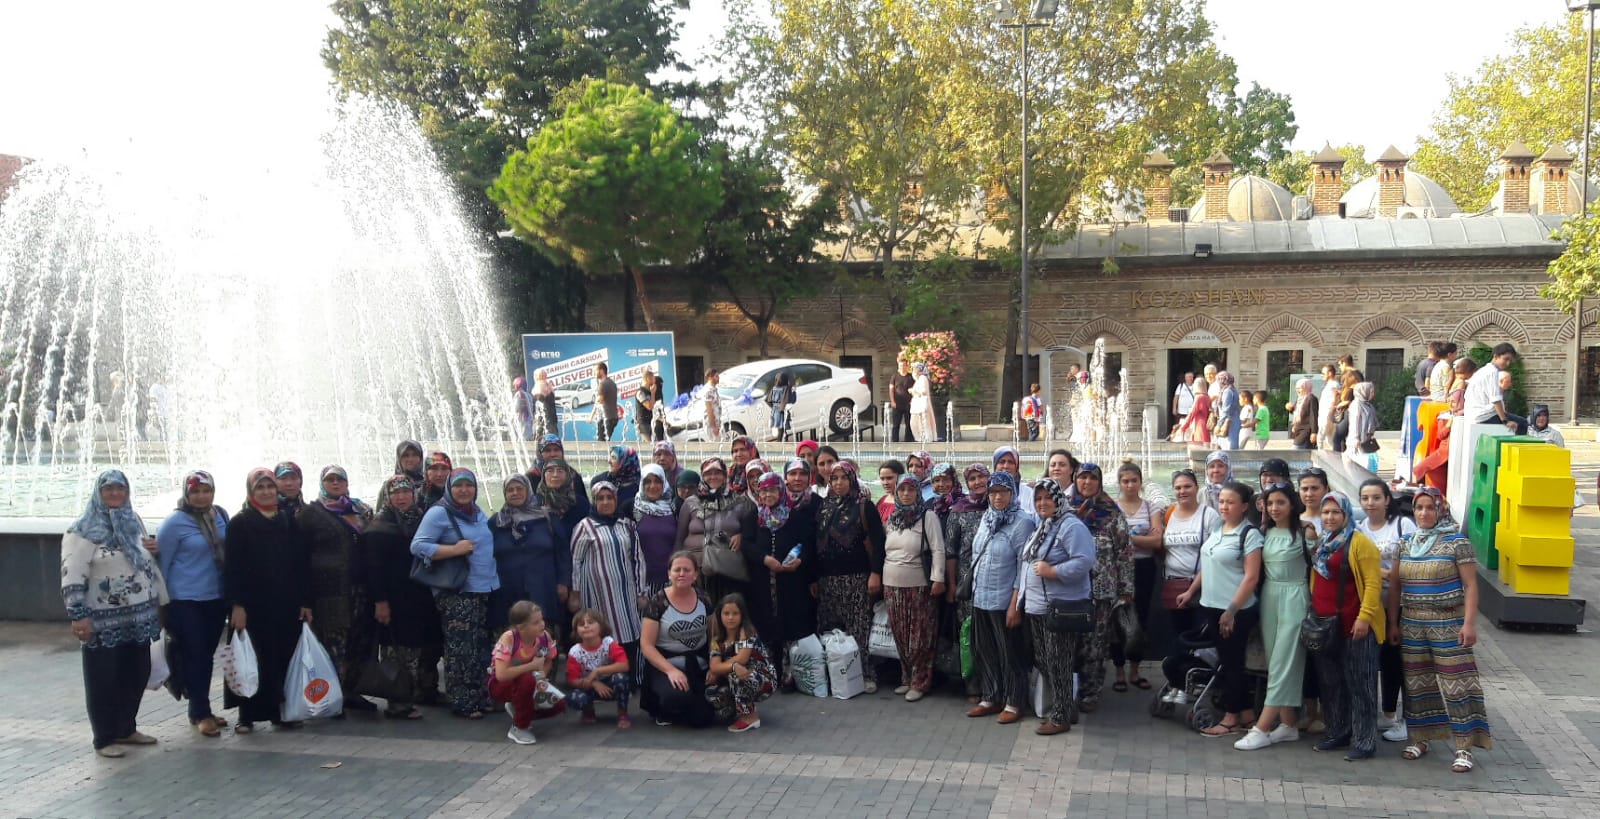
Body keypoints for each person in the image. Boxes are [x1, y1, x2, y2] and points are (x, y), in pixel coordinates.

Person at [63, 470, 166, 756]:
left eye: (120, 489)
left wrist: (153, 551)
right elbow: (72, 574)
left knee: (136, 672)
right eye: (109, 489)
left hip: (138, 618)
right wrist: (78, 614)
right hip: (102, 620)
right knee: (103, 678)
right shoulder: (82, 531)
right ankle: (104, 737)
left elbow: (144, 562)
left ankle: (126, 728)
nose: (115, 494)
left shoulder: (133, 522)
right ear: (98, 493)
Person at [1390, 488, 1492, 772]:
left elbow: (1471, 585)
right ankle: (1421, 738)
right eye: (1419, 507)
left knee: (1458, 686)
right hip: (1412, 624)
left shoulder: (1457, 542)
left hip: (1448, 624)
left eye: (1430, 507)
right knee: (1417, 684)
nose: (1424, 513)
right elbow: (1396, 585)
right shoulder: (1405, 542)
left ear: (1441, 509)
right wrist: (1392, 622)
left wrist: (1469, 623)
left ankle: (1464, 747)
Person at [224, 469, 313, 735]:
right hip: (252, 605)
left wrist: (305, 601)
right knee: (251, 658)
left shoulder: (287, 520)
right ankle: (246, 716)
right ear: (251, 492)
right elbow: (232, 568)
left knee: (281, 656)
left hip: (284, 602)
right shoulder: (240, 522)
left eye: (270, 487)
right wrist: (236, 605)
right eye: (260, 487)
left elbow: (301, 564)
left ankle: (278, 712)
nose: (266, 492)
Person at [411, 468, 499, 719]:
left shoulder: (477, 511)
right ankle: (463, 702)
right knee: (461, 649)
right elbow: (417, 546)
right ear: (450, 488)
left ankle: (480, 696)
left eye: (468, 486)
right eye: (458, 485)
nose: (464, 490)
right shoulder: (439, 512)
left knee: (479, 646)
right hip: (458, 591)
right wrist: (453, 550)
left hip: (483, 588)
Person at [1175, 482, 1261, 737]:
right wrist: (1191, 591)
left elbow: (1251, 577)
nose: (1224, 506)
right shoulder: (1218, 527)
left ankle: (1231, 718)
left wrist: (1232, 611)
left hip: (1235, 609)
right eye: (1222, 501)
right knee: (1228, 661)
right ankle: (1246, 714)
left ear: (1244, 506)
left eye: (1230, 502)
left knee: (1232, 664)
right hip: (1210, 605)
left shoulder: (1250, 534)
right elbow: (1208, 562)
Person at [1233, 483, 1314, 750]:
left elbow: (1321, 568)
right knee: (1274, 661)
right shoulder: (1263, 532)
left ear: (1292, 504)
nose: (1274, 508)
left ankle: (1262, 727)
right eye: (1269, 503)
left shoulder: (1305, 532)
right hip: (1270, 597)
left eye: (1280, 502)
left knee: (1284, 662)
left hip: (1296, 597)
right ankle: (1288, 724)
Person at [1308, 492, 1386, 761]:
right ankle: (1338, 731)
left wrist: (1364, 617)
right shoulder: (1324, 542)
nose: (1329, 518)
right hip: (1326, 625)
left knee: (1361, 685)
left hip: (1356, 625)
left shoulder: (1359, 543)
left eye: (1335, 513)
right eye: (1326, 513)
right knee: (1331, 683)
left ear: (1346, 515)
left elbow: (1373, 584)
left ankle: (1365, 740)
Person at [1015, 478, 1095, 734]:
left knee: (1059, 661)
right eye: (1037, 499)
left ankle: (1060, 717)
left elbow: (1084, 561)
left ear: (1058, 498)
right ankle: (1064, 705)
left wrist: (1053, 571)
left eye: (1047, 497)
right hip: (1038, 607)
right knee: (1046, 660)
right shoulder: (1045, 526)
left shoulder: (1071, 526)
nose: (1042, 503)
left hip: (1060, 607)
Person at [156, 470, 231, 736]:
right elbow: (161, 564)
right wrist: (161, 604)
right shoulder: (175, 523)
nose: (201, 497)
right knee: (195, 653)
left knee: (205, 655)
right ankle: (200, 712)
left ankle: (200, 708)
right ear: (186, 494)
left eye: (206, 491)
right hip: (185, 599)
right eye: (195, 491)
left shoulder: (220, 515)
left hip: (216, 597)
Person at [298, 465, 377, 712]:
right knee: (333, 645)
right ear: (322, 483)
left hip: (360, 591)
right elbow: (300, 558)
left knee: (358, 642)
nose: (335, 484)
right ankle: (330, 697)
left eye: (339, 479)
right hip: (328, 593)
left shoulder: (358, 510)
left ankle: (352, 692)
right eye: (330, 480)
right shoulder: (310, 514)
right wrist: (305, 599)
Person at [365, 475, 442, 719]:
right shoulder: (379, 526)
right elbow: (373, 570)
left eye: (406, 492)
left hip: (420, 595)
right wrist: (381, 602)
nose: (401, 497)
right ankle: (398, 702)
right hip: (394, 598)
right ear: (387, 496)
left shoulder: (421, 519)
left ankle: (422, 692)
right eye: (396, 493)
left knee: (422, 646)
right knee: (397, 650)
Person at [966, 471, 1038, 724]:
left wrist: (1015, 604)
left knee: (1010, 653)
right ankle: (990, 696)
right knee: (985, 649)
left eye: (1003, 492)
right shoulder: (987, 517)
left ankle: (1013, 702)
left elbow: (1024, 566)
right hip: (981, 597)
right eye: (993, 492)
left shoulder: (1023, 522)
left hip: (1004, 598)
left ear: (1012, 493)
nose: (997, 497)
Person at [812, 460, 887, 693]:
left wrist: (875, 574)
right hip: (828, 580)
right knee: (829, 629)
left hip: (856, 578)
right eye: (834, 479)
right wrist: (814, 578)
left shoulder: (864, 506)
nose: (838, 483)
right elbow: (815, 544)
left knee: (859, 629)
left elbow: (879, 544)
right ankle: (837, 675)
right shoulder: (824, 506)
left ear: (852, 479)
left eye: (844, 478)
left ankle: (866, 674)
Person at [1066, 463, 1134, 711]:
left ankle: (1090, 692)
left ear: (1099, 482)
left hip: (1102, 590)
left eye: (1091, 479)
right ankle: (1067, 690)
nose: (1086, 483)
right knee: (1070, 642)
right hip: (1070, 589)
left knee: (1095, 645)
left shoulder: (1112, 513)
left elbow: (1125, 552)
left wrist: (1126, 589)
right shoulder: (1065, 510)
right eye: (1082, 478)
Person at [1357, 479, 1416, 742]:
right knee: (1385, 661)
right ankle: (1389, 713)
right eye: (1366, 498)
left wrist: (1379, 571)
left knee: (1403, 661)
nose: (1371, 503)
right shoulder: (1360, 529)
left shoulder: (1402, 526)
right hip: (1373, 604)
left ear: (1387, 500)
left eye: (1376, 497)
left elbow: (1415, 564)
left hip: (1403, 604)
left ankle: (1409, 719)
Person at [568, 481, 646, 675]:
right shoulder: (584, 527)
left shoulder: (627, 525)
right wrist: (575, 594)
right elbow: (575, 562)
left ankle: (629, 678)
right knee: (601, 634)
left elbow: (638, 558)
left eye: (609, 498)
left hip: (625, 590)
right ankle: (605, 679)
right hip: (597, 593)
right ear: (594, 501)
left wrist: (641, 591)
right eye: (600, 498)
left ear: (615, 500)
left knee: (629, 632)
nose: (605, 502)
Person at [882, 475, 947, 701]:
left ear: (918, 492)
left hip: (919, 584)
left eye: (911, 489)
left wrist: (938, 578)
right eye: (902, 490)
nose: (906, 494)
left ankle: (920, 681)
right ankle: (906, 677)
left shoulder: (927, 516)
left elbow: (938, 549)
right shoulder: (893, 518)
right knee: (899, 634)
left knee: (919, 637)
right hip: (891, 583)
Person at [1158, 469, 1218, 693]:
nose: (1182, 491)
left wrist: (1193, 589)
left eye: (1187, 486)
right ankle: (1178, 683)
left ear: (1196, 487)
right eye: (1178, 487)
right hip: (1174, 585)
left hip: (1200, 588)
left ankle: (1195, 684)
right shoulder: (1170, 513)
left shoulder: (1209, 515)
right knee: (1178, 637)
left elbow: (1213, 557)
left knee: (1197, 640)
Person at [640, 552, 715, 727]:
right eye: (677, 569)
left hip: (699, 663)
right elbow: (647, 645)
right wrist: (671, 671)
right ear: (669, 574)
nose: (681, 574)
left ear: (695, 574)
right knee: (677, 698)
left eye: (687, 570)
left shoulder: (704, 598)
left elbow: (714, 636)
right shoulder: (658, 602)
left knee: (706, 715)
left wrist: (715, 665)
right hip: (667, 664)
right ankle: (662, 708)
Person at [491, 475, 570, 636]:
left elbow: (562, 551)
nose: (515, 493)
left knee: (545, 638)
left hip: (543, 587)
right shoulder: (497, 522)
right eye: (510, 490)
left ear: (528, 491)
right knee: (513, 641)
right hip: (508, 590)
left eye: (519, 489)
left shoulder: (546, 517)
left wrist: (563, 582)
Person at [764, 463, 818, 684]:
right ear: (784, 479)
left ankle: (794, 673)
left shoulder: (815, 503)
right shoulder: (765, 511)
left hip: (799, 574)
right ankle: (774, 671)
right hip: (770, 576)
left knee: (797, 621)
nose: (797, 478)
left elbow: (811, 540)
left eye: (802, 473)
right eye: (792, 473)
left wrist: (802, 560)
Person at [1111, 463, 1163, 692]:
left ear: (1140, 482)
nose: (1130, 485)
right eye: (1125, 481)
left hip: (1144, 567)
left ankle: (1135, 669)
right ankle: (1119, 670)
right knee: (1117, 619)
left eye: (1134, 480)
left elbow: (1157, 542)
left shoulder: (1150, 507)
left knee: (1140, 618)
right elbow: (1111, 541)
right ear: (1119, 483)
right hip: (1118, 569)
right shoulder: (1112, 507)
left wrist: (1127, 539)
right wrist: (1142, 538)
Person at [676, 457, 756, 603]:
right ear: (702, 476)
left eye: (718, 472)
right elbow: (680, 538)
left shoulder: (740, 502)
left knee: (727, 611)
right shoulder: (691, 502)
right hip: (696, 568)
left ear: (725, 475)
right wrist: (677, 566)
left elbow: (751, 531)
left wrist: (741, 536)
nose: (713, 477)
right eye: (708, 473)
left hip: (727, 568)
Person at [945, 464, 991, 699]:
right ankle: (972, 682)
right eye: (972, 478)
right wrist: (952, 585)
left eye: (981, 476)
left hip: (994, 582)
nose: (977, 482)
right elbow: (951, 552)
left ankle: (993, 683)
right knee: (969, 633)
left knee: (992, 634)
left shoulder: (998, 505)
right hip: (966, 584)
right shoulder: (959, 510)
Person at [488, 601, 557, 745]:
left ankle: (519, 707)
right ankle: (519, 727)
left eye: (542, 619)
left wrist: (541, 676)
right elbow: (501, 675)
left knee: (558, 705)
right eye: (536, 622)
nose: (542, 624)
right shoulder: (509, 638)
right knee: (527, 680)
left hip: (531, 681)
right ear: (521, 628)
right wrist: (531, 666)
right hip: (501, 685)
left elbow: (549, 660)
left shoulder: (544, 637)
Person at [706, 593, 777, 732]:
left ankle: (749, 717)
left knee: (737, 676)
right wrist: (721, 669)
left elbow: (742, 659)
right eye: (726, 613)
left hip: (761, 678)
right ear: (720, 615)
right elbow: (714, 666)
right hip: (734, 675)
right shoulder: (717, 640)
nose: (730, 617)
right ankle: (738, 709)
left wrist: (724, 667)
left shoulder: (747, 633)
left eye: (735, 613)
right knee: (712, 692)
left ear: (742, 615)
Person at [565, 608, 632, 728]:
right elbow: (572, 680)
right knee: (574, 697)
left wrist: (597, 671)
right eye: (581, 624)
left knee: (621, 679)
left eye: (590, 622)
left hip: (610, 684)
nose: (586, 626)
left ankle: (622, 713)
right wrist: (594, 683)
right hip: (589, 686)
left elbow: (624, 665)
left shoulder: (609, 643)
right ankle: (588, 710)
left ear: (601, 626)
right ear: (576, 630)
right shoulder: (575, 652)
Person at [634, 465, 679, 596]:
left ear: (664, 483)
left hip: (670, 579)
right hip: (641, 581)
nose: (652, 486)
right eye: (648, 481)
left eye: (657, 481)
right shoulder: (633, 507)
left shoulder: (673, 507)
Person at [591, 445, 642, 517]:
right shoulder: (599, 481)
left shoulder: (641, 487)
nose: (609, 461)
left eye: (613, 458)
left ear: (625, 461)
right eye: (610, 457)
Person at [1343, 382, 1378, 468]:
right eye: (1371, 392)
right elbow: (1355, 422)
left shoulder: (1368, 405)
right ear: (1363, 391)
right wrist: (1356, 438)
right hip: (1357, 440)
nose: (1373, 394)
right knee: (1355, 464)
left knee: (1368, 463)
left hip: (1366, 439)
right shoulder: (1357, 405)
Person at [992, 446, 1035, 512]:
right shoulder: (988, 493)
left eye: (1010, 462)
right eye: (1002, 462)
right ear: (995, 466)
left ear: (1016, 468)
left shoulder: (1028, 493)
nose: (1006, 466)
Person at [1330, 369, 1360, 453]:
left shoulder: (1352, 389)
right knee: (1342, 439)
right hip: (1350, 414)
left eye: (1344, 380)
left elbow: (1348, 401)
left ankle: (1337, 459)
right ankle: (1342, 457)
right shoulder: (1356, 388)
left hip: (1348, 414)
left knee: (1337, 438)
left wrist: (1337, 406)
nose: (1343, 383)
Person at [1212, 371, 1241, 450]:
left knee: (1229, 447)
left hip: (1229, 423)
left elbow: (1226, 410)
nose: (1218, 382)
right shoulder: (1231, 390)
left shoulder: (1227, 391)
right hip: (1231, 421)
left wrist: (1218, 425)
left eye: (1219, 380)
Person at [910, 361, 938, 442]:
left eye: (915, 369)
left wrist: (913, 391)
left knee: (924, 422)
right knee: (916, 422)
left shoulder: (923, 378)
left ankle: (926, 437)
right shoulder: (919, 379)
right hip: (917, 405)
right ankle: (920, 437)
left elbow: (924, 391)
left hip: (922, 405)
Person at [636, 369, 665, 442]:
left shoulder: (650, 391)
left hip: (651, 422)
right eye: (653, 379)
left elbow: (654, 409)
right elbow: (650, 407)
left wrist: (662, 419)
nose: (654, 381)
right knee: (651, 446)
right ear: (648, 379)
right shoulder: (640, 392)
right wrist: (652, 393)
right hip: (644, 424)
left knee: (653, 444)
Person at [1288, 379, 1318, 450]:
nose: (1298, 390)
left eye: (1300, 388)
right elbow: (1297, 412)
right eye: (1297, 388)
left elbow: (1313, 416)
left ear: (1306, 387)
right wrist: (1290, 408)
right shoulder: (1300, 399)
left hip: (1306, 430)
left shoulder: (1311, 398)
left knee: (1295, 449)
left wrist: (1314, 432)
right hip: (1298, 430)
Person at [1317, 364, 1341, 452]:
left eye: (1323, 373)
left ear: (1330, 373)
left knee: (1320, 439)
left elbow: (1335, 398)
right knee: (1330, 440)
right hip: (1327, 415)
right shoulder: (1331, 384)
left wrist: (1330, 414)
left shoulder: (1333, 385)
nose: (1322, 375)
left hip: (1327, 416)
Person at [890, 360, 914, 443]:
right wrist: (892, 401)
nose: (902, 367)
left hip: (908, 404)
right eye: (900, 365)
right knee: (896, 425)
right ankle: (894, 442)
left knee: (909, 425)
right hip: (897, 405)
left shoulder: (911, 377)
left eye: (903, 365)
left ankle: (908, 441)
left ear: (907, 366)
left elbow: (914, 389)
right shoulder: (895, 376)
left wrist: (912, 401)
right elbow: (891, 389)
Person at [594, 362, 620, 441]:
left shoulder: (603, 384)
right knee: (605, 442)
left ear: (601, 371)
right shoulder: (612, 383)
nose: (594, 373)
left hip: (606, 418)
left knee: (601, 445)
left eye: (595, 370)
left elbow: (600, 401)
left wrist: (591, 415)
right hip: (613, 417)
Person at [532, 370, 559, 439]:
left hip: (544, 418)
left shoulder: (539, 385)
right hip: (551, 417)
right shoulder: (548, 385)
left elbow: (537, 394)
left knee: (543, 439)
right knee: (553, 437)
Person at [767, 371, 792, 439]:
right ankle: (781, 440)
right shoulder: (785, 388)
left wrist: (773, 406)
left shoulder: (774, 388)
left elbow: (768, 400)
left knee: (778, 426)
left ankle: (781, 439)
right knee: (781, 426)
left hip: (775, 409)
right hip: (781, 409)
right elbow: (785, 399)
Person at [702, 370, 722, 442]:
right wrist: (714, 427)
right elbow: (709, 410)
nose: (718, 378)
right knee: (715, 448)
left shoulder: (713, 390)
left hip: (716, 423)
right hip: (711, 425)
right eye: (716, 376)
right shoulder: (708, 390)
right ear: (710, 377)